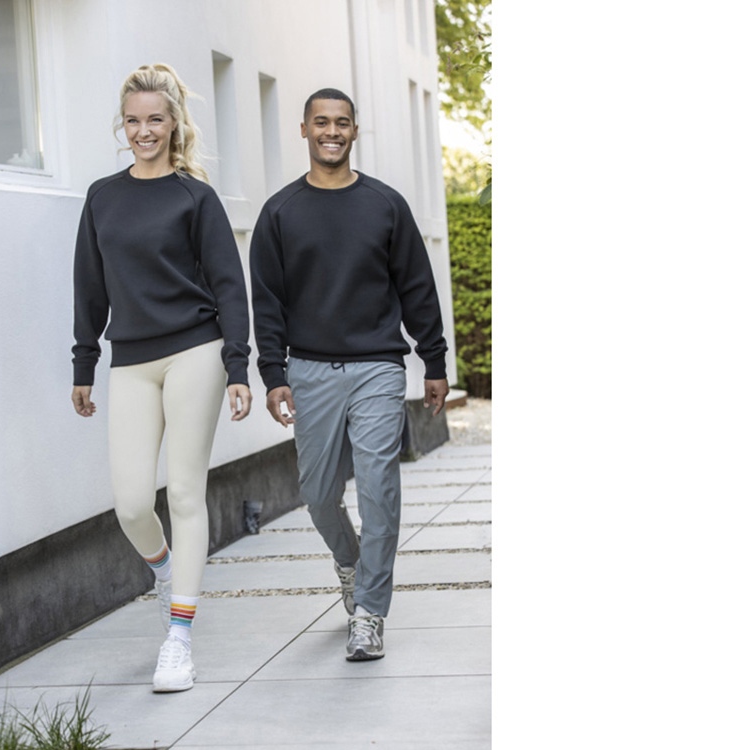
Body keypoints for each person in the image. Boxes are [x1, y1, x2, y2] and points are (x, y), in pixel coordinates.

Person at [249, 88, 449, 661]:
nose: (331, 131)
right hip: (309, 370)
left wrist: (433, 360)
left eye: (341, 123)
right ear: (304, 130)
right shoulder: (279, 212)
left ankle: (369, 612)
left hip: (377, 368)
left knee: (380, 488)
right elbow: (267, 302)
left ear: (355, 131)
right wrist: (273, 373)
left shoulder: (386, 205)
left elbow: (417, 287)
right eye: (321, 122)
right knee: (317, 494)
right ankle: (350, 562)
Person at [71, 63, 252, 692]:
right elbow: (89, 288)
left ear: (174, 123)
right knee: (130, 504)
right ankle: (168, 574)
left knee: (183, 494)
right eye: (133, 120)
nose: (143, 131)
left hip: (195, 349)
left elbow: (229, 286)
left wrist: (237, 365)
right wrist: (84, 363)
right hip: (131, 359)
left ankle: (179, 638)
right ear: (122, 126)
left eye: (154, 119)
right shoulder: (102, 196)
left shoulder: (194, 197)